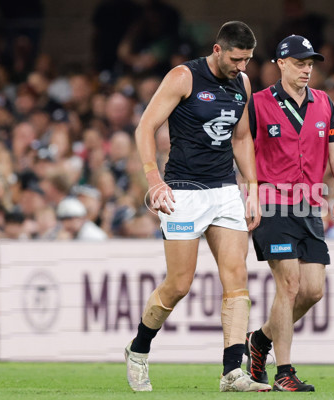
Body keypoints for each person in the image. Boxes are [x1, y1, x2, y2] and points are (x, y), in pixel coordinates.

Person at [125, 21, 270, 393]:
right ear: (218, 50)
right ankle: (138, 349)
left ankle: (231, 372)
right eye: (237, 59)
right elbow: (145, 128)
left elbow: (241, 138)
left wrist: (252, 187)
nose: (242, 67)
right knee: (179, 284)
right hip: (184, 190)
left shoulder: (243, 83)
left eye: (248, 60)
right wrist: (153, 179)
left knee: (237, 275)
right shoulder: (183, 77)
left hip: (223, 189)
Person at [245, 35, 334, 392]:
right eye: (301, 63)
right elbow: (241, 148)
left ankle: (259, 341)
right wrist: (250, 192)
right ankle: (284, 371)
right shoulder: (258, 103)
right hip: (272, 202)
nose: (307, 69)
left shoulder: (323, 102)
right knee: (288, 285)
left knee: (313, 291)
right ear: (281, 63)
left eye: (311, 64)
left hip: (309, 204)